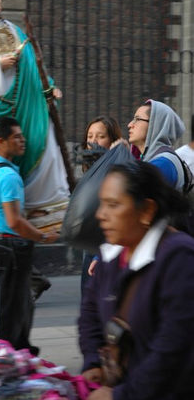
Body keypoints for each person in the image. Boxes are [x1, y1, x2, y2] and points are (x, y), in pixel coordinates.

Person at [0, 0, 68, 299]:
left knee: (41, 147)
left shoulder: (13, 29)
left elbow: (35, 63)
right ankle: (26, 277)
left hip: (26, 104)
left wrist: (48, 87)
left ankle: (28, 272)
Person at [79, 161, 194, 400]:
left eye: (113, 205)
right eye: (101, 204)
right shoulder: (111, 255)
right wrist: (93, 361)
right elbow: (90, 312)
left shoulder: (179, 258)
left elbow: (171, 349)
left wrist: (120, 396)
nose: (100, 215)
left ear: (147, 210)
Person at [0, 116, 59, 355]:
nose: (23, 141)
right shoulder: (10, 176)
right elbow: (14, 221)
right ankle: (6, 355)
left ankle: (22, 348)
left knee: (21, 301)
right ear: (1, 141)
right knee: (12, 308)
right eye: (17, 137)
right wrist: (42, 237)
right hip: (11, 246)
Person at [80, 116, 122, 292]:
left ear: (112, 140)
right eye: (90, 136)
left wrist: (100, 255)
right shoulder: (91, 168)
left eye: (100, 136)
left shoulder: (115, 171)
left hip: (105, 248)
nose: (93, 141)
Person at [128, 99, 186, 188]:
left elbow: (137, 197)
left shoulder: (163, 163)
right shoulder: (149, 159)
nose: (130, 124)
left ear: (154, 125)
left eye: (137, 119)